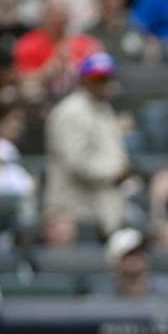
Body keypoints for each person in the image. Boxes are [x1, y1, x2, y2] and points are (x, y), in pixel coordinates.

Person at [45, 53, 131, 237]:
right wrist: (116, 170)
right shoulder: (71, 112)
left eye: (107, 78)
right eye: (98, 79)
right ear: (84, 80)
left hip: (102, 207)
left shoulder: (103, 107)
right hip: (76, 211)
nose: (104, 83)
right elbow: (77, 163)